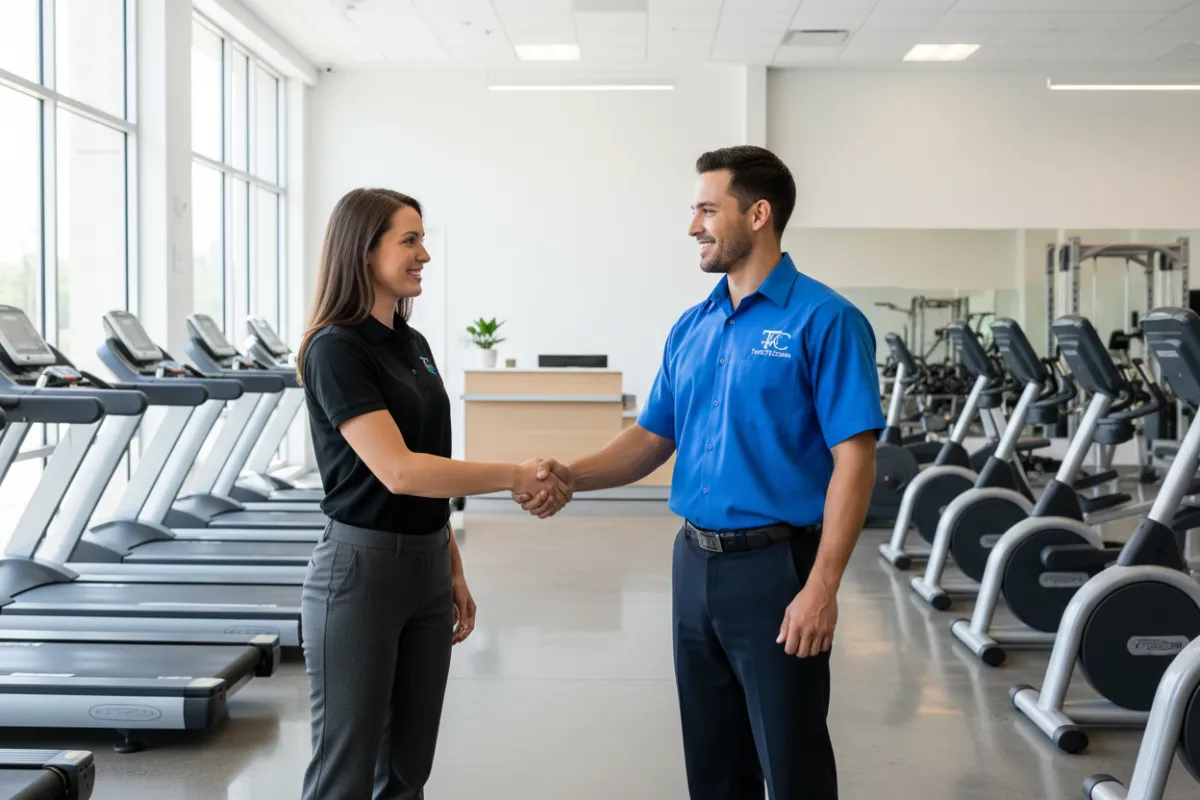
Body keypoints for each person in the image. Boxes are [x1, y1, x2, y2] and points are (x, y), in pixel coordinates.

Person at [516, 146, 883, 800]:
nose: (693, 226)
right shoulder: (693, 326)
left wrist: (822, 586)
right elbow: (652, 439)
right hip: (694, 564)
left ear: (759, 214)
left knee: (792, 767)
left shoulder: (826, 320)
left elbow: (854, 461)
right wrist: (567, 475)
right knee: (714, 767)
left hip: (778, 571)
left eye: (708, 209)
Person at [295, 187, 569, 800]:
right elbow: (400, 472)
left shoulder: (413, 345)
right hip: (359, 572)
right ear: (364, 251)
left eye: (424, 240)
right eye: (410, 240)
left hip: (424, 568)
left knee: (407, 771)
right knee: (345, 774)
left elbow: (432, 464)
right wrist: (513, 475)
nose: (425, 255)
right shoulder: (336, 348)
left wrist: (451, 566)